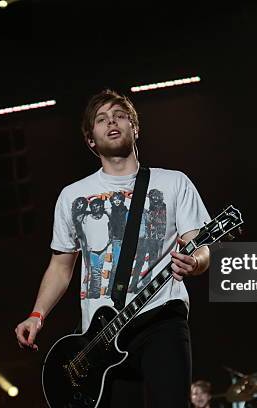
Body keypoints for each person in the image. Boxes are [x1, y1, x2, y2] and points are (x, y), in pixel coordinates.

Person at [15, 89, 211, 407]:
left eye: (119, 116)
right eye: (101, 119)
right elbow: (61, 267)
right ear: (90, 140)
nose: (111, 122)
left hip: (161, 318)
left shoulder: (173, 183)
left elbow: (199, 246)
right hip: (100, 338)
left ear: (134, 128)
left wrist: (197, 262)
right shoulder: (72, 196)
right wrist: (36, 316)